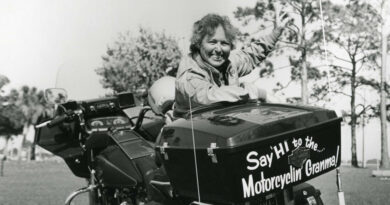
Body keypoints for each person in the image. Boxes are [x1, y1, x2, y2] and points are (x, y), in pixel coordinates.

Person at [173, 13, 291, 118]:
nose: (218, 49)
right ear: (198, 43)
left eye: (224, 43)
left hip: (222, 124)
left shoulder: (227, 62)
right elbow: (211, 96)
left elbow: (249, 56)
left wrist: (275, 34)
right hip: (189, 133)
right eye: (212, 42)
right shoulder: (189, 74)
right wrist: (254, 92)